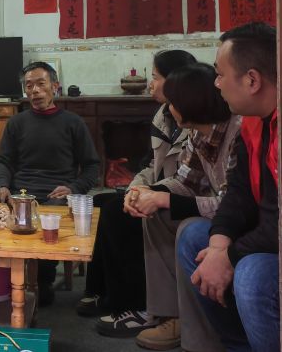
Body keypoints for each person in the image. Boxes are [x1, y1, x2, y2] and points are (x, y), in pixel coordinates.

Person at [78, 50, 196, 337]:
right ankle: (102, 291)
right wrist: (135, 188)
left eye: (155, 77)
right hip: (160, 187)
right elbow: (150, 164)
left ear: (176, 81)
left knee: (118, 213)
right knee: (102, 201)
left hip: (181, 195)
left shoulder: (194, 118)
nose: (151, 84)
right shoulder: (163, 114)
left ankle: (136, 305)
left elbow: (187, 178)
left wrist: (149, 194)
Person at [125, 63, 240, 352]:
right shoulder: (198, 133)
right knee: (154, 214)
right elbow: (185, 181)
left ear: (190, 103)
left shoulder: (237, 132)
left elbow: (232, 205)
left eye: (173, 101)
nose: (168, 108)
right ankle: (169, 316)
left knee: (188, 226)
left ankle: (200, 340)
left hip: (239, 223)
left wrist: (164, 199)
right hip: (220, 214)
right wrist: (148, 192)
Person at [178, 22, 278, 351]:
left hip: (274, 240)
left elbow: (277, 224)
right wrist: (220, 245)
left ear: (252, 80)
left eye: (220, 75)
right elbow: (239, 194)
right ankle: (237, 345)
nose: (216, 84)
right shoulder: (254, 122)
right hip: (266, 235)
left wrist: (229, 256)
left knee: (251, 274)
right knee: (195, 237)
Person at [0, 61, 99, 303]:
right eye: (29, 85)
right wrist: (2, 185)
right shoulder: (16, 123)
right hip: (21, 193)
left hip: (57, 194)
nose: (35, 91)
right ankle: (5, 277)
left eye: (41, 84)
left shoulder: (73, 123)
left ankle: (42, 281)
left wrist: (73, 189)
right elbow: (4, 161)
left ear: (55, 87)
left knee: (49, 220)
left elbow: (92, 166)